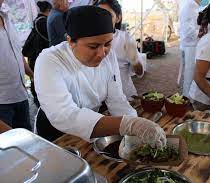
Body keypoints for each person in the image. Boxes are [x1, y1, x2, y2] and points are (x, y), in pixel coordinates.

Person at [34, 6, 166, 149]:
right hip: (56, 134)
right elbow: (65, 115)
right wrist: (129, 125)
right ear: (70, 41)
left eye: (108, 44)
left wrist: (135, 124)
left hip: (93, 127)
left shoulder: (109, 56)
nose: (102, 53)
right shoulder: (49, 60)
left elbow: (117, 99)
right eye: (93, 46)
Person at [97, 0, 144, 100]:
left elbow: (140, 73)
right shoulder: (88, 39)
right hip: (98, 98)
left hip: (124, 95)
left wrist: (134, 60)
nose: (102, 19)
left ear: (118, 18)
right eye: (98, 14)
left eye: (108, 15)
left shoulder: (125, 39)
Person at [0, 0, 33, 130]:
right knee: (6, 146)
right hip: (2, 102)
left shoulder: (6, 16)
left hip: (20, 93)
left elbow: (16, 51)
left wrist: (32, 74)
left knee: (26, 141)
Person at [22, 1, 52, 107]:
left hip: (33, 56)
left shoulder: (37, 20)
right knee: (39, 79)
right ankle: (39, 102)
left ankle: (37, 99)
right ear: (49, 10)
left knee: (36, 78)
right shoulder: (43, 22)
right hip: (38, 55)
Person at [178, 0, 201, 99]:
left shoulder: (193, 5)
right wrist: (201, 32)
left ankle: (188, 97)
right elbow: (188, 30)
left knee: (190, 74)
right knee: (190, 75)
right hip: (191, 45)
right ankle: (187, 98)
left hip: (192, 44)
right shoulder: (190, 5)